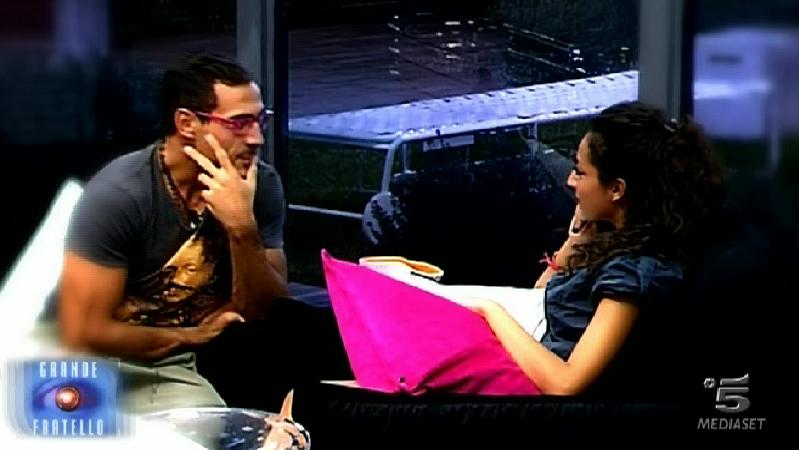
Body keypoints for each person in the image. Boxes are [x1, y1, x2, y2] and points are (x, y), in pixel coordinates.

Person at [57, 53, 290, 413]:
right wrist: (190, 336)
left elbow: (269, 312)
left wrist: (243, 230)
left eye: (260, 121)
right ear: (186, 123)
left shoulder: (261, 186)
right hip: (110, 359)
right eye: (239, 123)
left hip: (200, 356)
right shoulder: (122, 195)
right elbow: (86, 332)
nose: (257, 138)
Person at [465, 102, 725, 398]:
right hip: (533, 340)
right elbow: (540, 296)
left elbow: (565, 383)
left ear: (616, 189)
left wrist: (490, 311)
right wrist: (576, 240)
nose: (570, 181)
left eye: (580, 172)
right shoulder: (614, 236)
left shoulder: (632, 274)